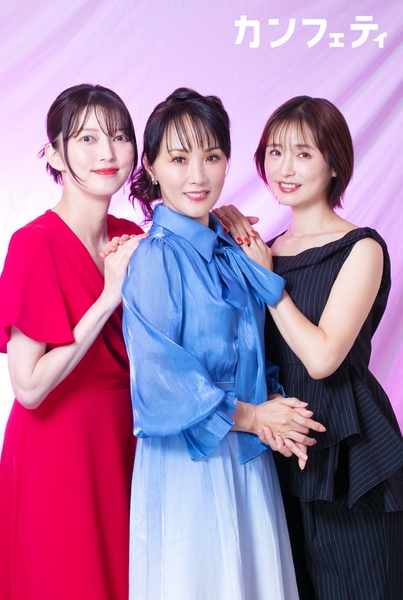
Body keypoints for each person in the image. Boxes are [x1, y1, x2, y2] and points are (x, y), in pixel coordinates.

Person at [118, 87, 326, 600]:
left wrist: (278, 415)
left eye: (211, 157)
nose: (198, 175)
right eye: (179, 159)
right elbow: (164, 384)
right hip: (188, 464)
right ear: (151, 166)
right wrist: (257, 417)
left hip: (247, 457)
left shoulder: (230, 250)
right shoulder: (155, 257)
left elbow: (254, 351)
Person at [213, 96, 403, 600]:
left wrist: (270, 286)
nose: (285, 168)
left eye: (303, 153)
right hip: (278, 449)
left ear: (334, 163)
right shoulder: (263, 249)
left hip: (349, 453)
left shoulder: (362, 247)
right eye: (275, 153)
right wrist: (215, 224)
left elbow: (321, 358)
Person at [0, 83, 147, 600]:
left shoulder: (132, 235)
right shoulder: (33, 245)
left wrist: (223, 220)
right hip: (58, 447)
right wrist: (107, 298)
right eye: (87, 138)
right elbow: (29, 387)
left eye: (119, 136)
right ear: (55, 154)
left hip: (125, 439)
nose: (107, 152)